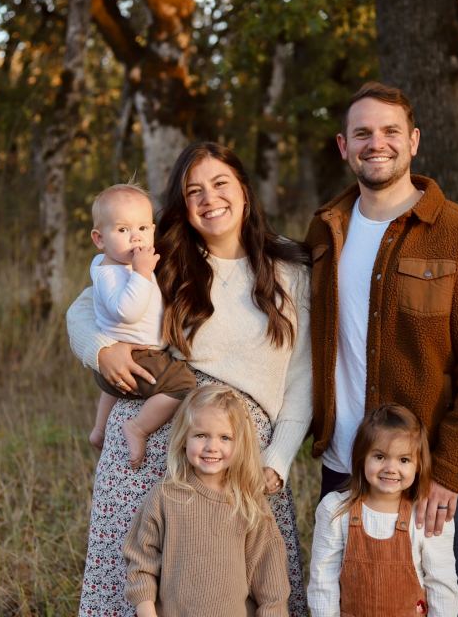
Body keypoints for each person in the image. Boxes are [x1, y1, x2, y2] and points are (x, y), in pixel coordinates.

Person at [69, 142, 312, 616]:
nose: (209, 198)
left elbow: (303, 379)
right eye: (193, 190)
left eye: (220, 183)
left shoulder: (290, 271)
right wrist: (101, 350)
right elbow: (82, 309)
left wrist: (279, 458)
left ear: (244, 190)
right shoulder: (164, 256)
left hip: (239, 450)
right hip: (153, 438)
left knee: (248, 586)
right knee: (134, 581)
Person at [305, 81, 458, 617]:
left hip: (433, 470)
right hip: (347, 465)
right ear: (343, 146)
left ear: (414, 140)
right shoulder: (325, 231)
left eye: (390, 131)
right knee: (351, 601)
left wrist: (449, 470)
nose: (376, 143)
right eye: (362, 133)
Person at [124, 384, 290, 616]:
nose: (212, 447)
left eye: (225, 437)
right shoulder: (165, 496)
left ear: (239, 444)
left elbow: (271, 582)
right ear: (184, 438)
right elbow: (141, 562)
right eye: (201, 435)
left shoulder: (249, 504)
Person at [308, 404, 458, 617]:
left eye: (404, 460)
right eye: (379, 457)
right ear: (362, 457)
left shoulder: (424, 516)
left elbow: (442, 585)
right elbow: (323, 580)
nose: (390, 468)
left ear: (418, 465)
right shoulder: (335, 510)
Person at [86, 183, 197, 466]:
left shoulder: (114, 265)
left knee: (113, 387)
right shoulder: (112, 274)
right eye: (123, 230)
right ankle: (138, 428)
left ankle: (99, 429)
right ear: (99, 239)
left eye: (143, 228)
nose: (136, 237)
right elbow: (127, 312)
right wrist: (142, 273)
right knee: (183, 384)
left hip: (120, 359)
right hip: (140, 356)